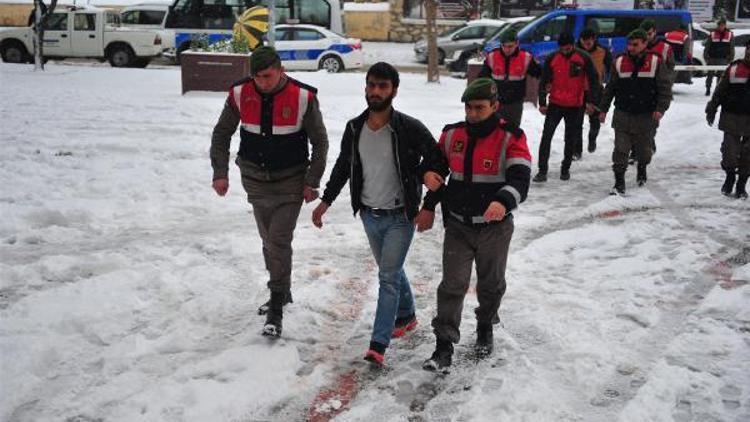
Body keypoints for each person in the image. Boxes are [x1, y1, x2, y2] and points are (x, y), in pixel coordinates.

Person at [312, 62, 449, 366]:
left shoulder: (408, 127)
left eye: (383, 86)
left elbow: (439, 159)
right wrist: (326, 201)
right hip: (369, 215)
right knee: (393, 269)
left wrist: (428, 193)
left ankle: (378, 343)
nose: (376, 91)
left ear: (394, 91)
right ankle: (407, 316)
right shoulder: (354, 127)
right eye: (372, 85)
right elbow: (343, 166)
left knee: (387, 277)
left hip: (401, 216)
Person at [210, 46, 329, 337]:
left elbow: (320, 141)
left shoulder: (303, 97)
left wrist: (312, 180)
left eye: (267, 76)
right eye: (257, 77)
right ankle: (283, 290)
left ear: (281, 71)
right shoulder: (240, 93)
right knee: (267, 238)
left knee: (277, 239)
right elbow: (222, 133)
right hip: (254, 179)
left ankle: (276, 305)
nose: (261, 82)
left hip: (290, 180)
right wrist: (220, 173)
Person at [418, 78, 531, 372]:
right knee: (452, 284)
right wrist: (429, 184)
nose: (472, 114)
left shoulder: (511, 137)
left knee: (491, 283)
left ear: (495, 106)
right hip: (458, 225)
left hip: (495, 227)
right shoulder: (452, 133)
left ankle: (484, 325)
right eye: (468, 107)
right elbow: (435, 165)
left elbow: (520, 178)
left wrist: (503, 201)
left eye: (479, 108)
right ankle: (443, 346)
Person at [599, 29, 672, 195]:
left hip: (646, 115)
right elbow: (611, 88)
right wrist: (603, 109)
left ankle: (642, 168)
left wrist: (660, 108)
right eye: (629, 44)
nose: (631, 48)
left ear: (645, 44)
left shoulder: (655, 61)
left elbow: (665, 88)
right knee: (620, 150)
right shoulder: (619, 61)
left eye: (635, 44)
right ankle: (619, 182)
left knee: (644, 152)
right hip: (623, 114)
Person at [535, 33, 600, 182]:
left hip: (575, 105)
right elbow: (544, 80)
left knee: (570, 139)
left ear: (573, 45)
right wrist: (542, 102)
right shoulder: (553, 58)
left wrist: (591, 101)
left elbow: (593, 80)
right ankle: (542, 170)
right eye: (563, 48)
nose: (565, 50)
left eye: (568, 48)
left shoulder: (583, 57)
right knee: (546, 137)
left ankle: (565, 169)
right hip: (555, 104)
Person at [705, 38, 750, 199]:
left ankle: (741, 184)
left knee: (747, 155)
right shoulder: (734, 68)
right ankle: (730, 176)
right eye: (748, 49)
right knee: (730, 153)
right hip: (732, 116)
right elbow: (720, 90)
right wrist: (712, 107)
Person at [478, 29, 542, 126]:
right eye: (504, 46)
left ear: (517, 44)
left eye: (510, 46)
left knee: (513, 131)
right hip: (496, 101)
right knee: (494, 130)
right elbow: (482, 78)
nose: (507, 49)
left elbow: (539, 73)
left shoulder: (525, 57)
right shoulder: (492, 56)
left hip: (515, 102)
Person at [577, 28, 612, 153]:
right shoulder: (575, 52)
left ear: (594, 40)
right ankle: (577, 150)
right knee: (576, 122)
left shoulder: (603, 52)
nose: (586, 45)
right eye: (584, 42)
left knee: (595, 120)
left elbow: (611, 70)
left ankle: (592, 138)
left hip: (595, 90)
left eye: (589, 42)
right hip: (577, 90)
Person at [704, 18, 735, 96]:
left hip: (723, 59)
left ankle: (718, 90)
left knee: (721, 76)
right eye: (720, 25)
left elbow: (732, 48)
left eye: (723, 25)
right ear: (718, 26)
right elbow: (707, 46)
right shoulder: (712, 34)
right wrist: (706, 57)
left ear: (725, 26)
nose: (721, 27)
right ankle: (708, 88)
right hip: (712, 58)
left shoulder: (730, 34)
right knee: (710, 75)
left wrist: (730, 58)